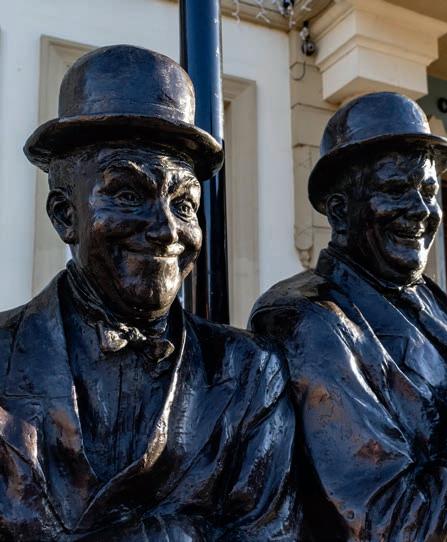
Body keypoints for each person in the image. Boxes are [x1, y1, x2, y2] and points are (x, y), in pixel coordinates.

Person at [0, 45, 298, 541]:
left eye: (183, 204)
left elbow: (270, 532)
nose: (166, 230)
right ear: (65, 215)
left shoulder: (251, 372)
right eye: (127, 194)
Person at [249, 92, 447, 541]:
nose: (421, 210)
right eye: (395, 190)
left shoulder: (438, 303)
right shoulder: (306, 319)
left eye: (428, 192)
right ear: (340, 212)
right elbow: (391, 521)